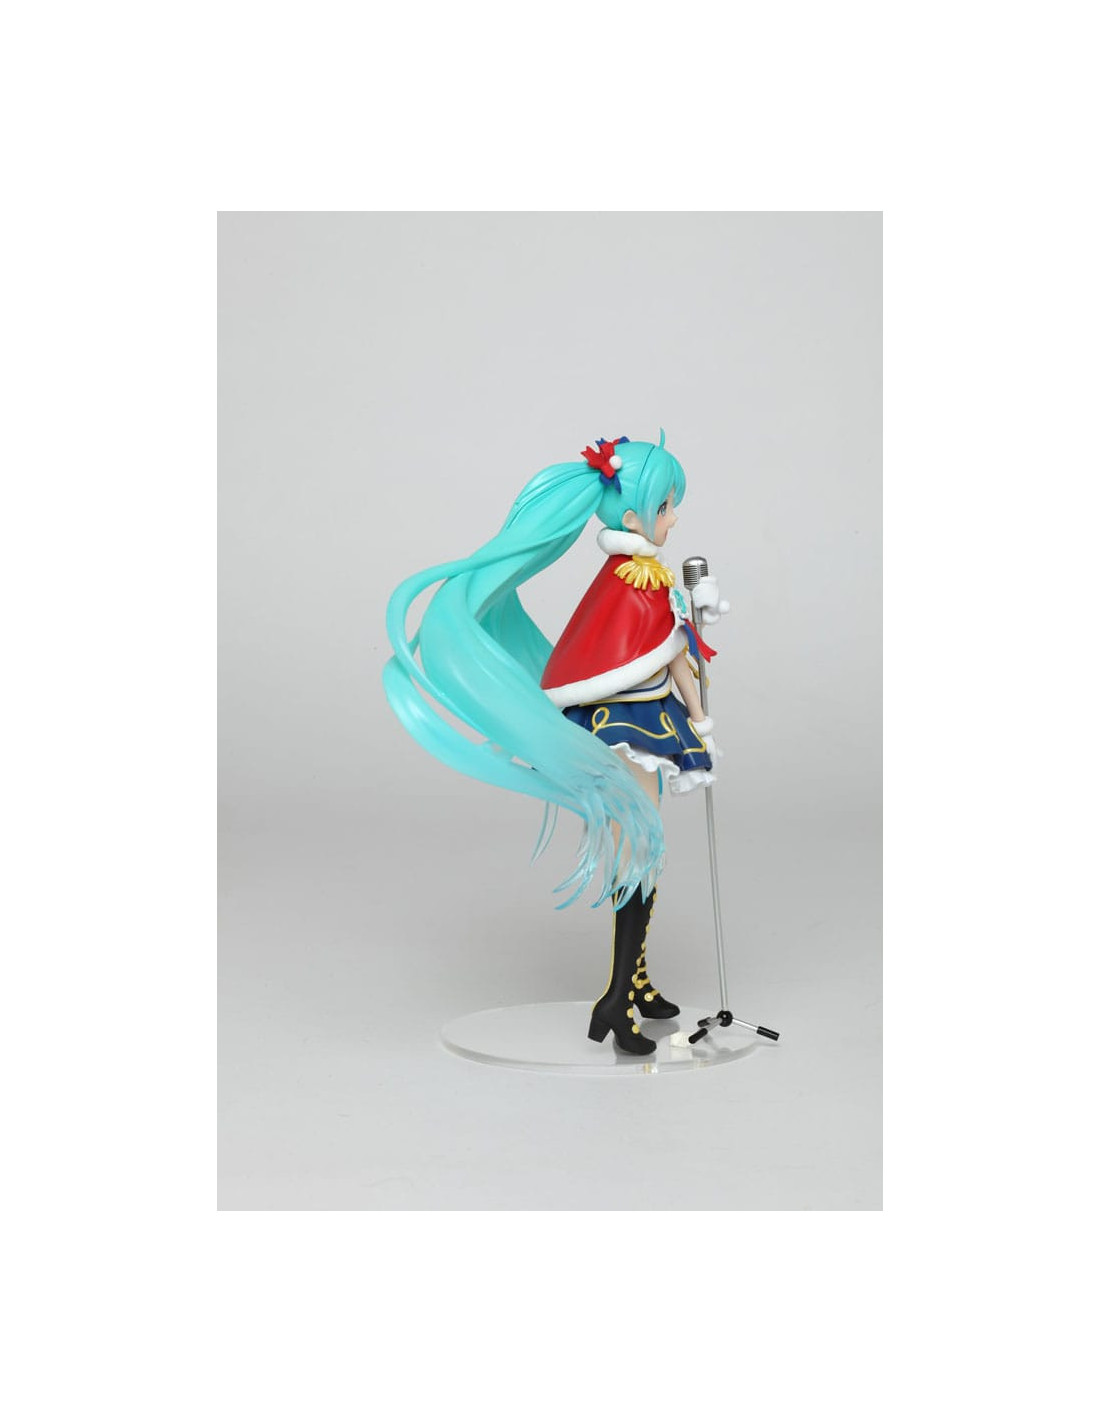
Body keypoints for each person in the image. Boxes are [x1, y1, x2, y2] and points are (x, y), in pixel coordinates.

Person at [384, 432, 729, 1055]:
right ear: (633, 519)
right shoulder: (635, 582)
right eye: (665, 507)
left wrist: (692, 653)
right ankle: (617, 998)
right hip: (629, 727)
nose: (674, 518)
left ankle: (636, 982)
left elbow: (670, 648)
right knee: (641, 849)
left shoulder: (640, 577)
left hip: (645, 717)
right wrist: (698, 706)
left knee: (642, 848)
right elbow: (669, 652)